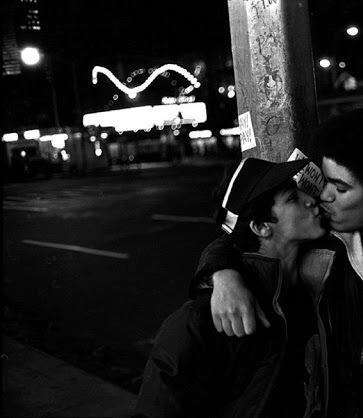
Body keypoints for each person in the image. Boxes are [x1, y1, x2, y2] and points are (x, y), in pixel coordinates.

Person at [190, 108, 363, 417]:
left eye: (341, 188)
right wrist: (222, 273)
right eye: (325, 183)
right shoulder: (324, 244)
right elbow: (241, 237)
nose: (324, 197)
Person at [135, 158, 329, 417]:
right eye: (292, 198)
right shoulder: (201, 320)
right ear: (261, 227)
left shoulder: (313, 287)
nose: (311, 199)